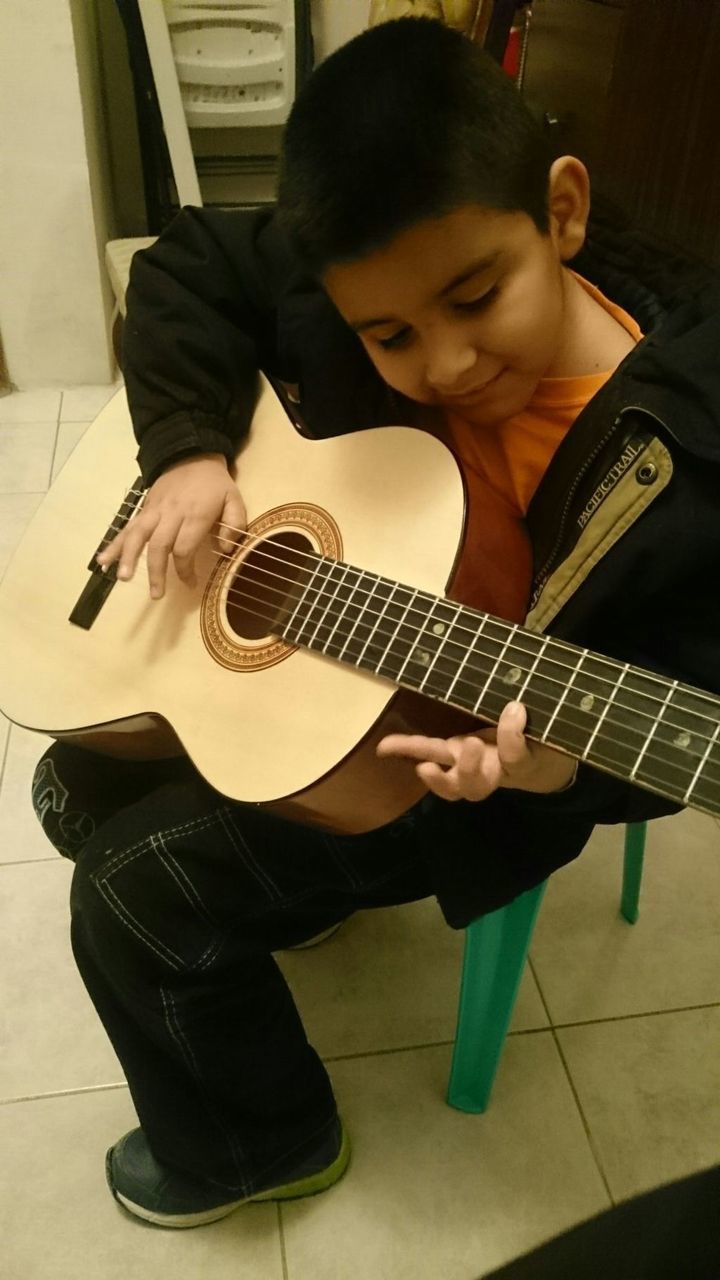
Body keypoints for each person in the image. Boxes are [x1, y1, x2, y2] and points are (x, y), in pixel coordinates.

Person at [33, 18, 720, 1229]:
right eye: (388, 335)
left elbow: (666, 711)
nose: (444, 361)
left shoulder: (684, 464)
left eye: (475, 299)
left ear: (562, 213)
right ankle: (281, 910)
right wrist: (189, 448)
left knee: (124, 894)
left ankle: (260, 1138)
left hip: (464, 769)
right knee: (69, 786)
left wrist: (548, 766)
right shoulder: (365, 253)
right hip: (338, 659)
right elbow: (186, 260)